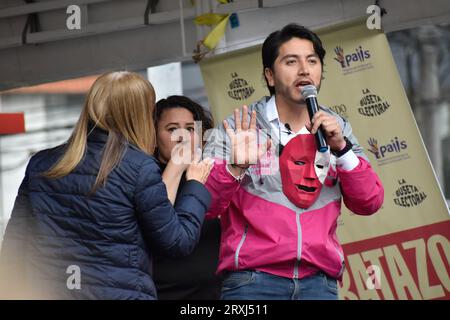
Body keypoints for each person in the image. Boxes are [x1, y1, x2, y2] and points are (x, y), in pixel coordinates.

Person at [203, 23, 384, 300]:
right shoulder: (239, 127)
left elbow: (369, 201)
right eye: (291, 61)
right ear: (270, 75)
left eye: (312, 61)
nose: (304, 70)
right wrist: (235, 167)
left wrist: (342, 149)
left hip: (319, 283)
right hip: (253, 281)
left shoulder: (339, 129)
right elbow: (204, 204)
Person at [0, 71, 214, 300]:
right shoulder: (139, 167)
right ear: (138, 114)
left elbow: (14, 245)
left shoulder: (41, 164)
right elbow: (176, 242)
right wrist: (194, 184)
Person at [152, 95, 221, 300]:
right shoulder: (145, 175)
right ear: (154, 136)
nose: (182, 137)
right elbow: (158, 223)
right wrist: (175, 167)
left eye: (190, 129)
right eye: (172, 129)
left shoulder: (215, 173)